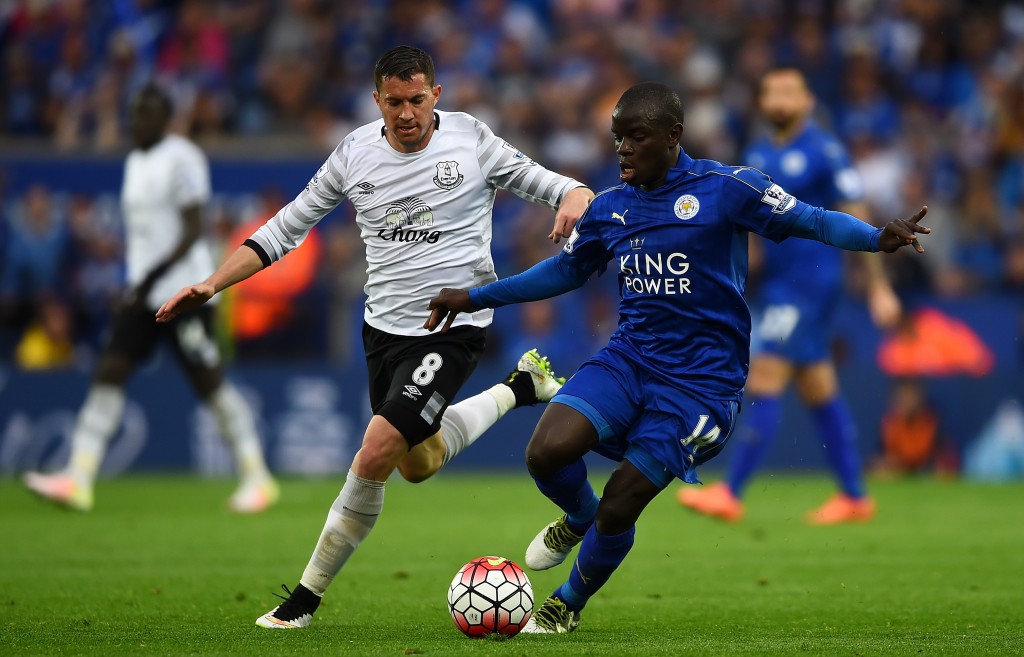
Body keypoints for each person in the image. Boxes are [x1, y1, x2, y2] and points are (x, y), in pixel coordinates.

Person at [424, 81, 930, 634]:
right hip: (629, 359)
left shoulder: (726, 188)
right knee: (546, 453)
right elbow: (563, 272)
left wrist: (875, 237)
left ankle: (565, 604)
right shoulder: (610, 207)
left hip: (701, 386)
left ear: (672, 137)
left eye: (635, 138)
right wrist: (474, 295)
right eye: (617, 139)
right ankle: (578, 517)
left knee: (622, 501)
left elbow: (811, 218)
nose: (622, 150)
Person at [155, 46, 594, 629]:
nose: (406, 113)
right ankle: (521, 387)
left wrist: (572, 199)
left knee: (376, 449)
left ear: (436, 96)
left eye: (417, 100)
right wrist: (212, 283)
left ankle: (304, 600)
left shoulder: (472, 141)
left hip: (453, 327)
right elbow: (286, 228)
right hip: (382, 331)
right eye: (394, 102)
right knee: (419, 461)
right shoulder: (355, 153)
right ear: (377, 101)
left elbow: (563, 187)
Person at [23, 84, 279, 513]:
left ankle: (258, 477)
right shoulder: (135, 160)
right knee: (110, 373)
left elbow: (194, 226)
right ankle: (78, 478)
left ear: (165, 118)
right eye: (134, 113)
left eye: (147, 114)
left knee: (209, 383)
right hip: (142, 296)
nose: (137, 121)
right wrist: (137, 280)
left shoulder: (183, 157)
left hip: (185, 293)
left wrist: (153, 276)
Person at [677, 67, 900, 525]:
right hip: (780, 283)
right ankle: (855, 495)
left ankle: (731, 492)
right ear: (761, 102)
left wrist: (879, 288)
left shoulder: (824, 149)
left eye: (788, 91)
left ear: (808, 101)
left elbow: (856, 212)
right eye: (770, 91)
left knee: (766, 373)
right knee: (818, 385)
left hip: (812, 282)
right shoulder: (759, 150)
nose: (778, 99)